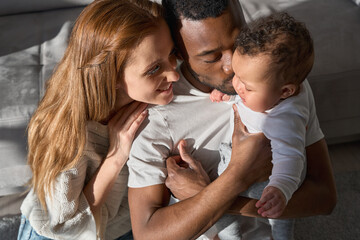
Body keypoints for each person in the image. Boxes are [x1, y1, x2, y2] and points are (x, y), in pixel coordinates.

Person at [127, 0, 336, 239]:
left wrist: (209, 195)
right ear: (179, 53)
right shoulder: (157, 118)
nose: (232, 66)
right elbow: (146, 234)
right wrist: (238, 175)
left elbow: (324, 197)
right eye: (212, 57)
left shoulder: (276, 80)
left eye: (238, 43)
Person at [17, 0, 180, 239]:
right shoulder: (71, 136)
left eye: (172, 53)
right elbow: (67, 228)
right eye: (154, 69)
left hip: (121, 226)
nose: (174, 74)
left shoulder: (148, 91)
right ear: (110, 76)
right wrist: (115, 156)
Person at [210, 12, 323, 239]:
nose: (236, 85)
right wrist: (230, 98)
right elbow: (251, 102)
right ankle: (231, 235)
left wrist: (280, 189)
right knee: (220, 201)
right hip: (250, 165)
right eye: (237, 75)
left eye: (247, 87)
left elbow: (290, 158)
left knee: (276, 213)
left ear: (285, 91)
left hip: (270, 176)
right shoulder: (269, 92)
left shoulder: (285, 119)